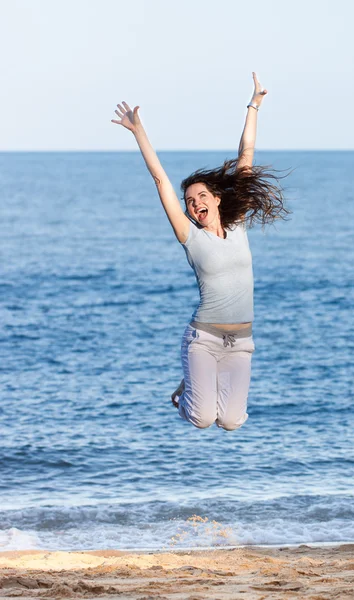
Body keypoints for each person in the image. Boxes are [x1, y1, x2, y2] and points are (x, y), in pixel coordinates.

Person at [112, 72, 289, 431]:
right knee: (203, 419)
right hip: (203, 338)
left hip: (241, 343)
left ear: (217, 199)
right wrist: (138, 131)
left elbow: (246, 154)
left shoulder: (237, 225)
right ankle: (186, 392)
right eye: (190, 202)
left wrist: (254, 103)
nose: (194, 205)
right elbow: (161, 179)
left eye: (201, 197)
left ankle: (193, 383)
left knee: (232, 422)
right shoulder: (190, 237)